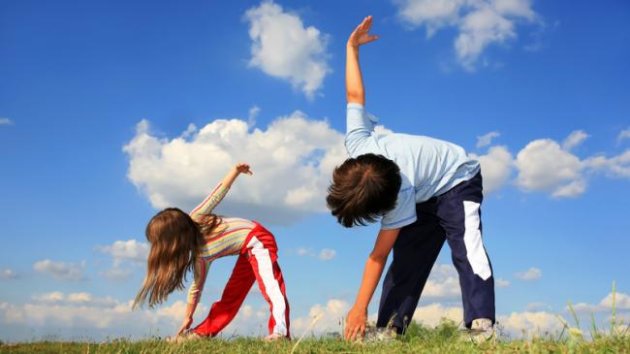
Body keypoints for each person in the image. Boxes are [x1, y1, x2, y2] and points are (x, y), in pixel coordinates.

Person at [326, 16, 495, 341]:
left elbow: (377, 255)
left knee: (467, 247)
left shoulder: (399, 192)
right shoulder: (358, 143)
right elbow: (353, 93)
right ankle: (390, 330)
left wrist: (358, 307)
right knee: (408, 259)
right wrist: (351, 49)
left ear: (387, 203)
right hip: (423, 189)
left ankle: (482, 326)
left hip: (458, 178)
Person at [134, 163, 290, 341]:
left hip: (259, 239)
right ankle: (199, 334)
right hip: (245, 251)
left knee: (271, 287)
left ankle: (280, 332)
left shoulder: (197, 217)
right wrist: (188, 317)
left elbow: (217, 195)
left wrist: (235, 171)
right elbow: (196, 289)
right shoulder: (201, 257)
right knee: (230, 298)